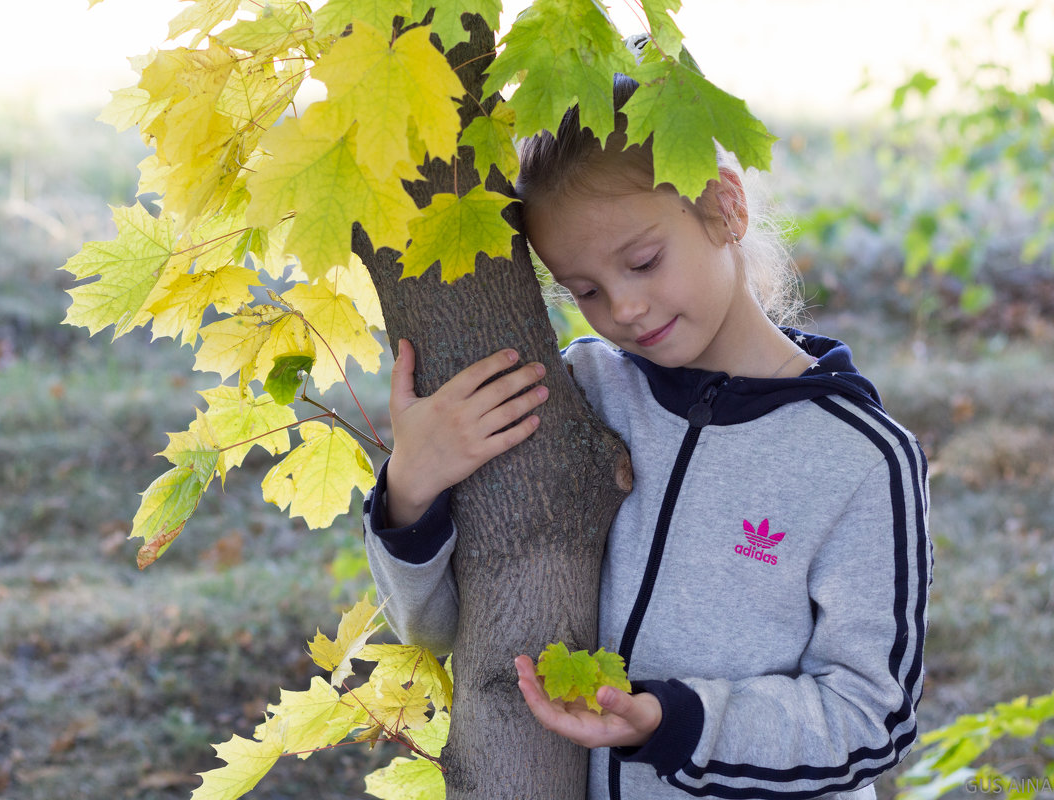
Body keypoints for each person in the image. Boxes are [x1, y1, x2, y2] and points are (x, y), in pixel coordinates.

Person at [362, 71, 930, 800]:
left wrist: (673, 721)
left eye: (642, 262)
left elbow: (871, 717)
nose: (623, 308)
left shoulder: (858, 459)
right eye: (584, 290)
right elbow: (443, 630)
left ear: (725, 207)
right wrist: (411, 489)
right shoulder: (573, 396)